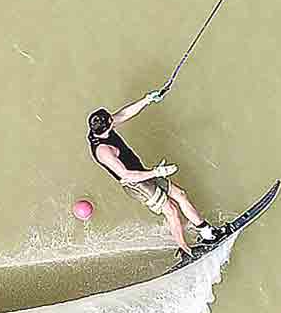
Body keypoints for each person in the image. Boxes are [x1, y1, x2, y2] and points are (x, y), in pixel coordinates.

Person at [87, 89, 224, 257]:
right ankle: (185, 250)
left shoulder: (100, 129)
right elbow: (127, 175)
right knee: (171, 210)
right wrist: (157, 172)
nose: (114, 120)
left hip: (144, 173)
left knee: (180, 194)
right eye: (111, 120)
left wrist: (147, 99)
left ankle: (208, 233)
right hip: (137, 184)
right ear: (107, 125)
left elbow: (123, 114)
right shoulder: (103, 151)